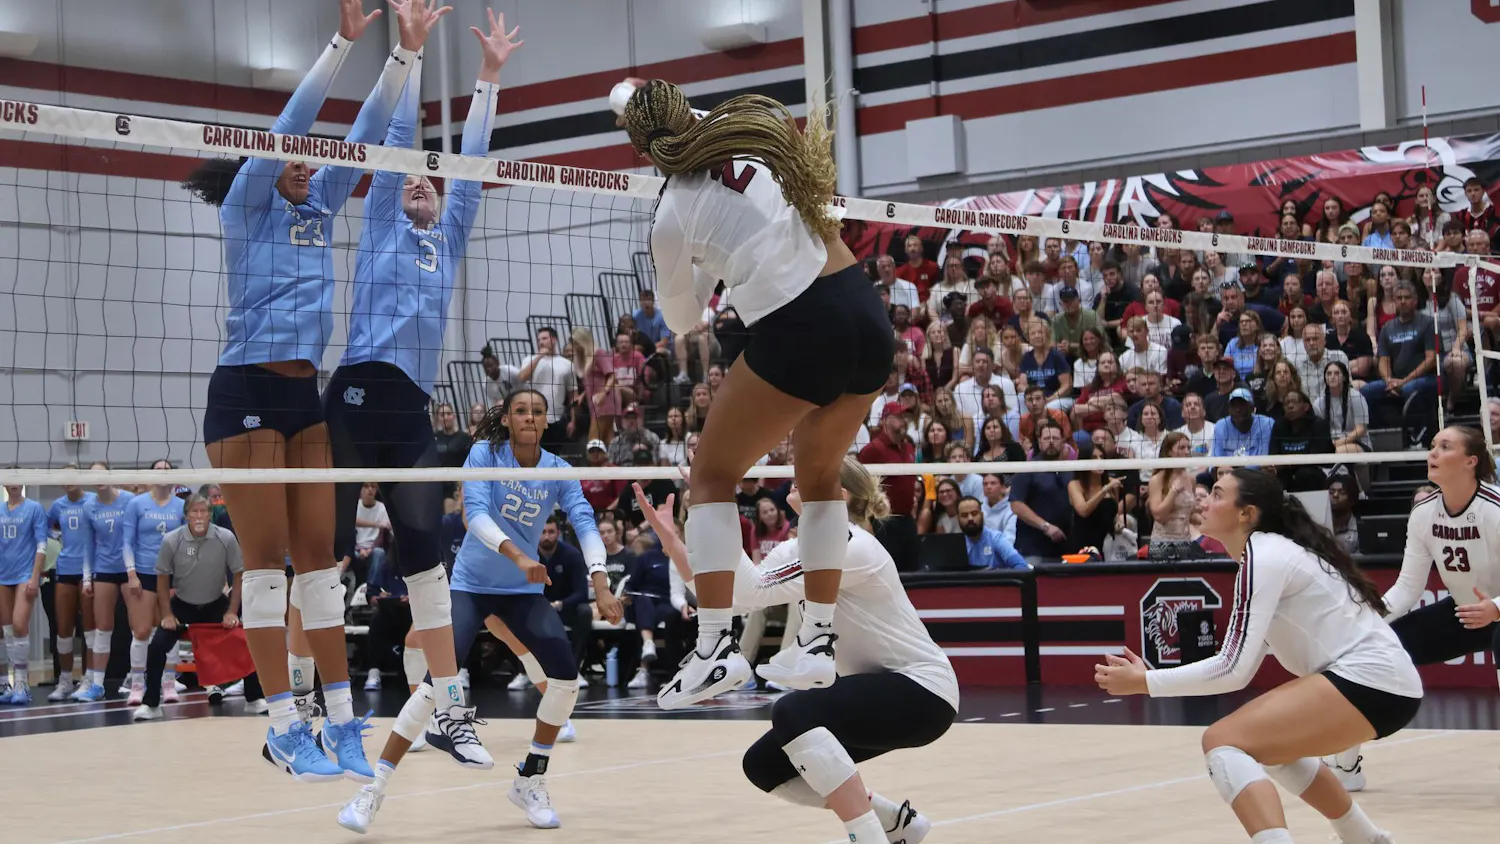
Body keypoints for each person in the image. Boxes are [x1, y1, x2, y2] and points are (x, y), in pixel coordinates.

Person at [181, 0, 442, 782]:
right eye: (295, 155)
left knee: (320, 567)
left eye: (308, 158)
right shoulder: (248, 206)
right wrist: (344, 43)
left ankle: (341, 721)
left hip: (307, 398)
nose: (306, 161)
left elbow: (361, 137)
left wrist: (404, 53)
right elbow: (292, 123)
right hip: (246, 394)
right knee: (263, 570)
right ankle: (282, 724)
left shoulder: (320, 204)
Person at [620, 79, 895, 707]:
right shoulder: (758, 142)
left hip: (803, 327)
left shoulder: (670, 216)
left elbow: (686, 321)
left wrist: (693, 268)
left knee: (710, 478)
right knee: (821, 479)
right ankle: (818, 643)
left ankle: (715, 649)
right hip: (864, 312)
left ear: (642, 149)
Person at [325, 8, 516, 788]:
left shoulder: (451, 229)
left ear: (441, 200)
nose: (417, 183)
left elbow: (467, 161)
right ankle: (310, 709)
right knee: (325, 556)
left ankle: (450, 711)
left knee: (426, 563)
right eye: (408, 179)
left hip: (409, 411)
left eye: (427, 183)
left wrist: (489, 80)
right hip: (352, 395)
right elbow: (398, 140)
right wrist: (410, 50)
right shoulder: (380, 219)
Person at [338, 388, 623, 834]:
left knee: (566, 677)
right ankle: (372, 790)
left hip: (521, 591)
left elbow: (585, 521)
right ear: (507, 419)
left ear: (547, 421)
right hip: (472, 585)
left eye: (538, 412)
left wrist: (601, 584)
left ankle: (531, 778)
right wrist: (521, 557)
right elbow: (477, 514)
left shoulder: (558, 470)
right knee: (438, 684)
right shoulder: (484, 454)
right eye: (521, 411)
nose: (530, 417)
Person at [633, 457, 954, 844]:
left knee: (793, 710)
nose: (797, 479)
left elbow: (750, 591)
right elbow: (734, 600)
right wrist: (673, 540)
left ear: (839, 496)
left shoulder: (852, 544)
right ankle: (896, 822)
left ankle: (866, 838)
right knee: (765, 766)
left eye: (812, 475)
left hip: (923, 691)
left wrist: (715, 509)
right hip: (884, 691)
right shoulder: (796, 549)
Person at [1096, 469, 1419, 844]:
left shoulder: (1264, 555)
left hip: (1370, 681)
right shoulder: (1268, 554)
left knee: (1222, 742)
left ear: (1245, 513)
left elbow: (1234, 669)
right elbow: (1239, 659)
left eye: (1216, 494)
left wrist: (1145, 683)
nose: (1204, 500)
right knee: (1271, 749)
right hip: (1388, 687)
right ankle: (1367, 839)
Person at [1328, 426, 1500, 793]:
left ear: (1471, 461)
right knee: (1370, 649)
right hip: (1465, 611)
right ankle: (1346, 765)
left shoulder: (1494, 508)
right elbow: (1408, 587)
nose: (1433, 452)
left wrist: (1496, 608)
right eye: (1433, 445)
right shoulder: (1424, 513)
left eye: (1445, 446)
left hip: (1498, 610)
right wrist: (1369, 620)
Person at [133, 495, 265, 721]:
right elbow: (162, 578)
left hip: (215, 603)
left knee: (245, 642)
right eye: (194, 512)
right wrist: (166, 614)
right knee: (157, 647)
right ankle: (151, 704)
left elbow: (238, 574)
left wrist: (232, 611)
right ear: (186, 516)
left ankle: (254, 699)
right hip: (183, 604)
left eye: (203, 511)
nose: (199, 516)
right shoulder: (172, 540)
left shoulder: (226, 537)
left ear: (210, 514)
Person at [120, 464, 186, 706]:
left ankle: (168, 682)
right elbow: (127, 542)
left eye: (168, 469)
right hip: (144, 574)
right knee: (141, 631)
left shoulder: (180, 506)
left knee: (170, 629)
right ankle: (137, 684)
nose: (163, 472)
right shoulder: (136, 504)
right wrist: (131, 574)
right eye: (158, 468)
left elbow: (185, 541)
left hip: (171, 576)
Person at [72, 465, 132, 702]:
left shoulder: (128, 500)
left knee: (139, 627)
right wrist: (87, 578)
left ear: (110, 475)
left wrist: (135, 571)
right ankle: (97, 685)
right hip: (104, 570)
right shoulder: (89, 507)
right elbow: (89, 544)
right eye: (93, 475)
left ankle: (138, 678)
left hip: (129, 570)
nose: (98, 479)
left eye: (101, 473)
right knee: (102, 628)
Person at [45, 476, 95, 701]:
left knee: (90, 630)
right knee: (63, 629)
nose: (69, 481)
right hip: (65, 568)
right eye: (64, 478)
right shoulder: (58, 505)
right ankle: (65, 681)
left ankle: (89, 679)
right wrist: (57, 537)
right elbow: (45, 527)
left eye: (73, 477)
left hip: (90, 570)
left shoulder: (93, 501)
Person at [0, 481, 47, 705]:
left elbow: (41, 545)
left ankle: (22, 682)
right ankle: (11, 683)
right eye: (9, 479)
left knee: (20, 625)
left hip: (24, 574)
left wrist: (35, 576)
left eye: (17, 479)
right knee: (8, 630)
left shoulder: (34, 508)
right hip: (2, 574)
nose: (13, 484)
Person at [955, 497, 1027, 570]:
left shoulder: (996, 539)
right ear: (958, 519)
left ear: (982, 515)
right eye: (964, 515)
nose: (970, 518)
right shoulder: (956, 545)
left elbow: (1021, 566)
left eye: (974, 513)